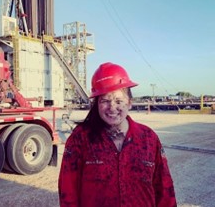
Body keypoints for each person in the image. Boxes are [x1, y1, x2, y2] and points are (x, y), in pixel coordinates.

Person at [58, 62, 177, 207]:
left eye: (119, 100)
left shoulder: (149, 139)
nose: (112, 107)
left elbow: (164, 189)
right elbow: (68, 191)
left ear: (130, 103)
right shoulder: (80, 138)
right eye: (105, 101)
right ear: (97, 104)